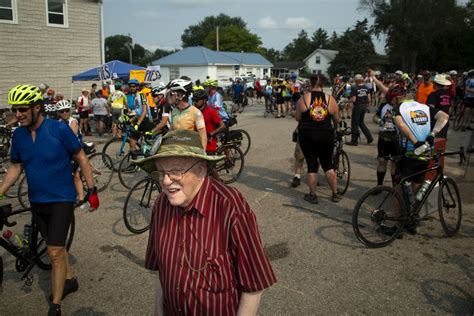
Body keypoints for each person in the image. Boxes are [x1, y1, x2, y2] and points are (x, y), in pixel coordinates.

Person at [133, 130, 276, 315]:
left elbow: (254, 285)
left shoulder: (231, 207)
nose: (166, 181)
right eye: (160, 172)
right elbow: (160, 271)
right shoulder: (161, 204)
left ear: (200, 170)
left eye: (176, 171)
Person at [0, 85, 98, 315]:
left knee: (53, 252)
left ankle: (55, 304)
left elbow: (81, 156)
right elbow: (16, 167)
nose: (18, 114)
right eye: (15, 109)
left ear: (37, 108)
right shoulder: (19, 135)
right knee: (57, 246)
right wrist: (1, 191)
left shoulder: (58, 129)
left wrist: (91, 189)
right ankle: (70, 279)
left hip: (61, 198)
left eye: (22, 109)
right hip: (37, 200)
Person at [295, 74, 342, 203]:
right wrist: (336, 129)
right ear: (322, 84)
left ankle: (312, 195)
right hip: (325, 134)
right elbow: (336, 119)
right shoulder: (330, 99)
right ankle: (335, 193)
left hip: (307, 134)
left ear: (310, 83)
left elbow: (298, 118)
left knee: (311, 164)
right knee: (328, 164)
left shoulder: (303, 98)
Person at [169, 79, 207, 149]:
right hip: (176, 151)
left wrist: (202, 155)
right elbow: (171, 132)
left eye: (172, 93)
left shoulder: (196, 113)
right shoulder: (174, 111)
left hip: (190, 152)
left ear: (180, 95)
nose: (170, 96)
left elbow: (203, 137)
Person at [347, 74, 373, 146]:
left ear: (356, 80)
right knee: (361, 122)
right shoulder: (366, 88)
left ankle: (354, 141)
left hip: (357, 106)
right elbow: (369, 99)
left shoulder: (354, 88)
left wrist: (346, 101)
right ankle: (369, 137)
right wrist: (368, 106)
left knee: (355, 123)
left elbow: (354, 99)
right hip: (364, 106)